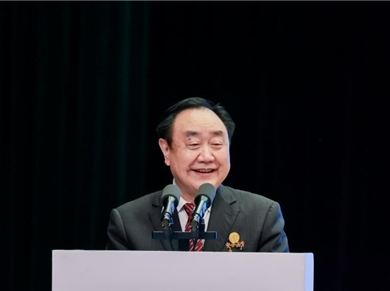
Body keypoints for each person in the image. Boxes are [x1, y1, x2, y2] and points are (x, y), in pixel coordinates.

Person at [106, 97, 289, 252]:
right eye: (193, 144)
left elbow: (277, 282)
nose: (207, 157)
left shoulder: (262, 216)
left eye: (216, 144)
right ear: (166, 150)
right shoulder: (128, 221)